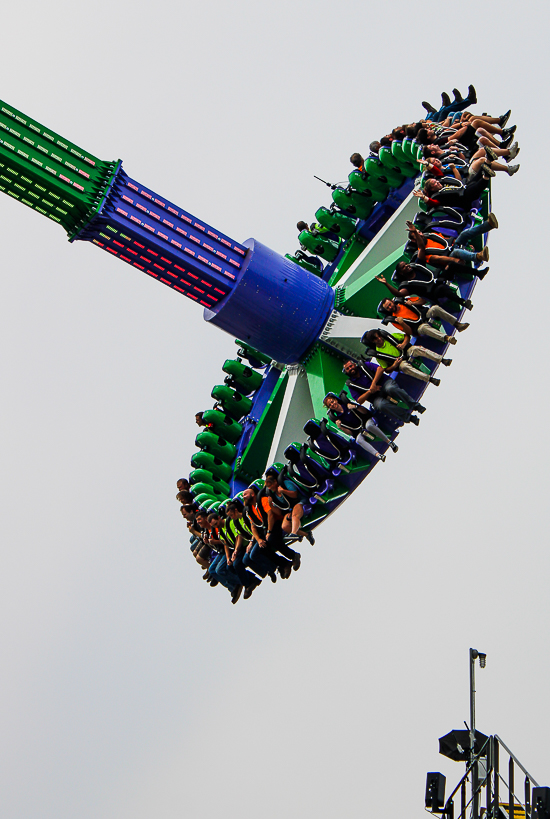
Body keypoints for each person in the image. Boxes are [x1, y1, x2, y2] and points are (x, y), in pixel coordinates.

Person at [343, 359, 424, 426]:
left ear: (354, 365)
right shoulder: (351, 384)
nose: (350, 368)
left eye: (351, 366)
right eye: (347, 368)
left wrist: (373, 384)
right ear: (346, 372)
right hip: (374, 397)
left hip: (384, 383)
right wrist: (370, 391)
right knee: (381, 405)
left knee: (391, 388)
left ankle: (415, 405)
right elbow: (359, 400)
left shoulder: (364, 365)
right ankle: (409, 418)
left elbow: (380, 369)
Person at [362, 328, 450, 386]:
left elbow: (406, 336)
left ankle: (442, 359)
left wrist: (403, 344)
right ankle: (430, 379)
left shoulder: (389, 337)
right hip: (398, 362)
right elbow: (386, 369)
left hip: (406, 351)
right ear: (373, 341)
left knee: (417, 349)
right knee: (405, 367)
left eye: (379, 336)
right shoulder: (378, 354)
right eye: (376, 339)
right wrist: (394, 365)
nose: (380, 339)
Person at [322, 393, 398, 460]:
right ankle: (378, 455)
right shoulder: (338, 418)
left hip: (365, 421)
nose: (332, 404)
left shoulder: (347, 404)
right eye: (330, 405)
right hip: (357, 431)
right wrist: (341, 427)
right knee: (358, 440)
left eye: (332, 402)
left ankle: (389, 442)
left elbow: (364, 411)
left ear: (336, 400)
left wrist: (355, 407)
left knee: (369, 426)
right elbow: (350, 433)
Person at [379, 294, 469, 345]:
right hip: (417, 326)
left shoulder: (403, 301)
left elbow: (423, 301)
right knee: (424, 328)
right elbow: (409, 332)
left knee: (435, 308)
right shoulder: (394, 320)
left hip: (424, 314)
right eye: (388, 308)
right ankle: (447, 338)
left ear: (392, 301)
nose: (390, 307)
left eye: (390, 304)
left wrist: (413, 303)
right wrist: (402, 323)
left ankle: (457, 325)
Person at [264, 468, 314, 545]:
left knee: (294, 515)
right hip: (291, 508)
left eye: (270, 484)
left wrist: (283, 491)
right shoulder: (273, 495)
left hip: (301, 501)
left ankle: (294, 533)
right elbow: (279, 511)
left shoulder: (285, 484)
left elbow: (295, 494)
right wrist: (270, 505)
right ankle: (307, 534)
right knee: (285, 526)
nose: (270, 487)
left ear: (275, 482)